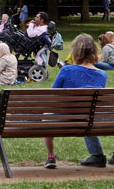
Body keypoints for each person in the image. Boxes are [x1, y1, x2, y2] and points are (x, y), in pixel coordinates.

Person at [43, 34, 107, 169]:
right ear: (94, 51)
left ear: (75, 51)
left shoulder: (67, 70)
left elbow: (52, 94)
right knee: (87, 112)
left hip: (63, 118)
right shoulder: (102, 74)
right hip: (88, 119)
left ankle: (50, 156)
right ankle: (97, 155)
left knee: (47, 117)